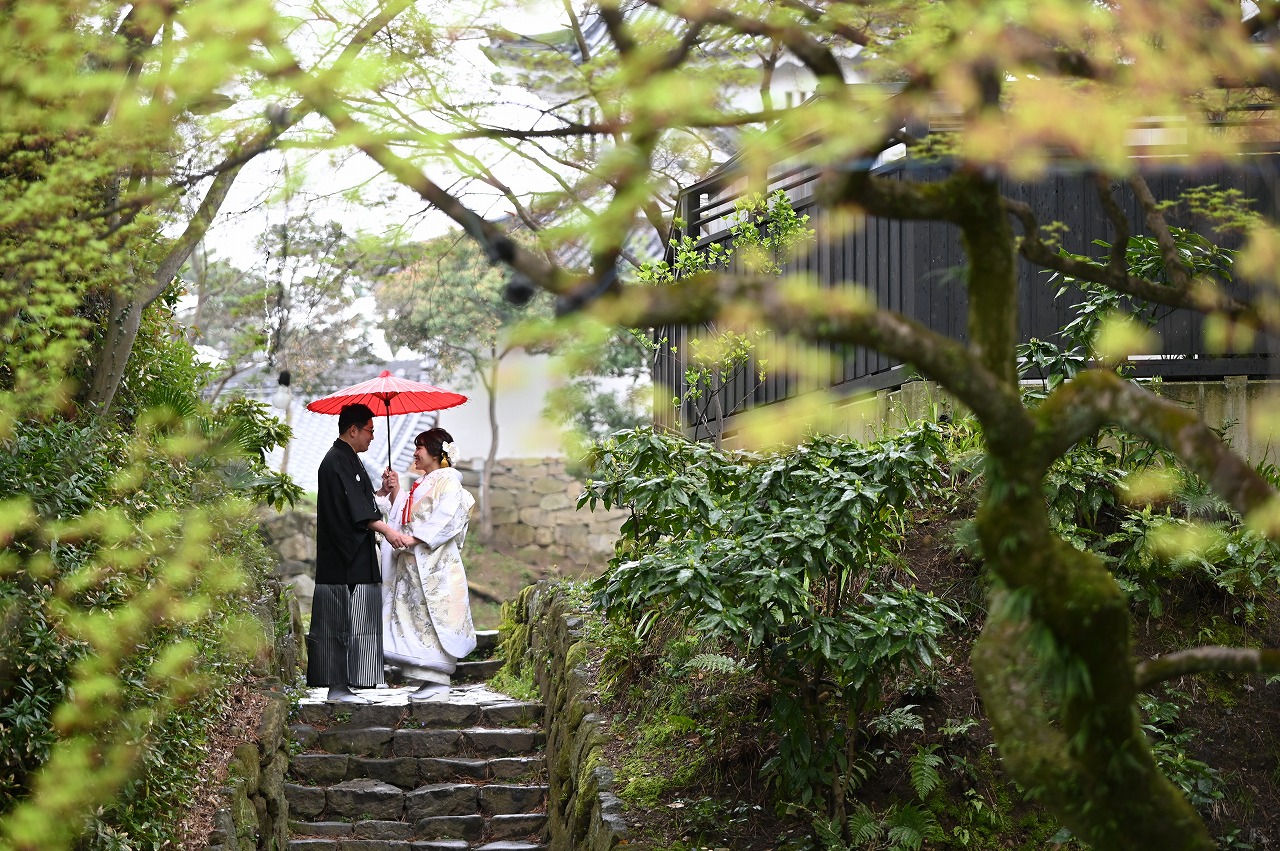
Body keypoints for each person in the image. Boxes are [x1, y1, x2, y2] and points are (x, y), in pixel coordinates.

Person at [308, 403, 415, 704]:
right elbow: (356, 512)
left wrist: (382, 492)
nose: (372, 437)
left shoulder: (349, 459)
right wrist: (388, 531)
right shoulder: (336, 460)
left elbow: (362, 503)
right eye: (369, 430)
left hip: (355, 554)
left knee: (357, 618)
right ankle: (337, 687)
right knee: (339, 620)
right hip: (342, 556)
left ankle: (350, 683)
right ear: (353, 430)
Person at [379, 427, 477, 701]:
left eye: (419, 447)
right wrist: (395, 490)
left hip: (435, 565)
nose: (415, 453)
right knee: (416, 618)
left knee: (433, 618)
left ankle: (440, 682)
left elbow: (448, 516)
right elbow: (407, 514)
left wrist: (416, 538)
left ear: (435, 452)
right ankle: (427, 679)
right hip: (414, 565)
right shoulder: (423, 481)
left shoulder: (448, 481)